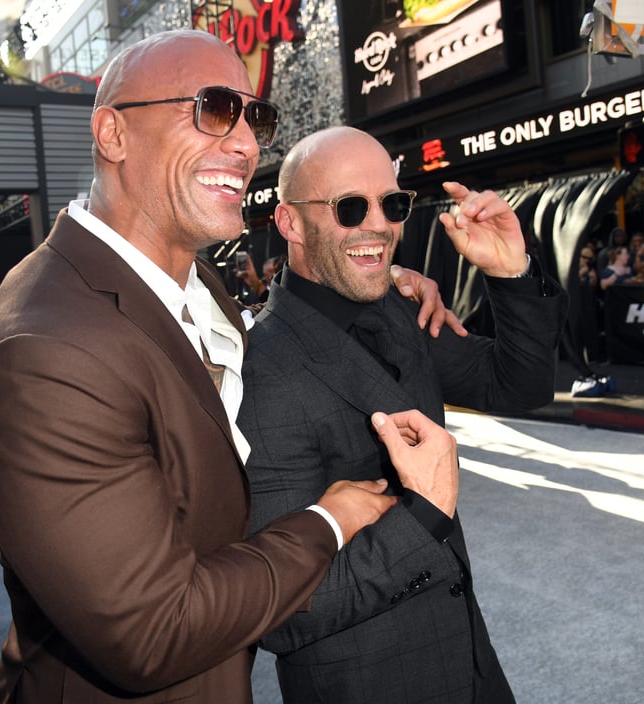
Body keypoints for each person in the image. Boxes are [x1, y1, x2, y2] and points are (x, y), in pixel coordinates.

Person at [0, 29, 460, 704]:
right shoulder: (37, 354)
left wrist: (377, 271)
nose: (248, 144)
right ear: (113, 134)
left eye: (257, 118)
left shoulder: (201, 288)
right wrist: (329, 521)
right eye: (214, 109)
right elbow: (153, 631)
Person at [238, 126, 568, 703]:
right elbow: (285, 614)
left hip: (471, 666)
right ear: (289, 222)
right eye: (349, 207)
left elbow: (519, 386)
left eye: (392, 204)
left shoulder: (401, 310)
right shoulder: (261, 373)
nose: (378, 225)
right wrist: (426, 513)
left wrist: (509, 274)